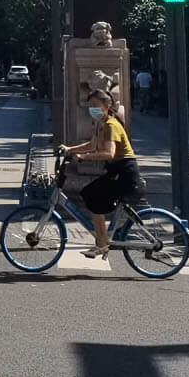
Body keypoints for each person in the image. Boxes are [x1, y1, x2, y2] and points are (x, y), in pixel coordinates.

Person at [60, 88, 142, 258]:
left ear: (107, 105)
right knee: (90, 194)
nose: (93, 110)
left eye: (96, 106)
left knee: (92, 195)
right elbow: (92, 144)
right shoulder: (102, 124)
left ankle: (102, 243)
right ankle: (101, 241)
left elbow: (109, 154)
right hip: (118, 170)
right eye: (90, 106)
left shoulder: (111, 125)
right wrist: (70, 149)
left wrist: (84, 157)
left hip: (125, 172)